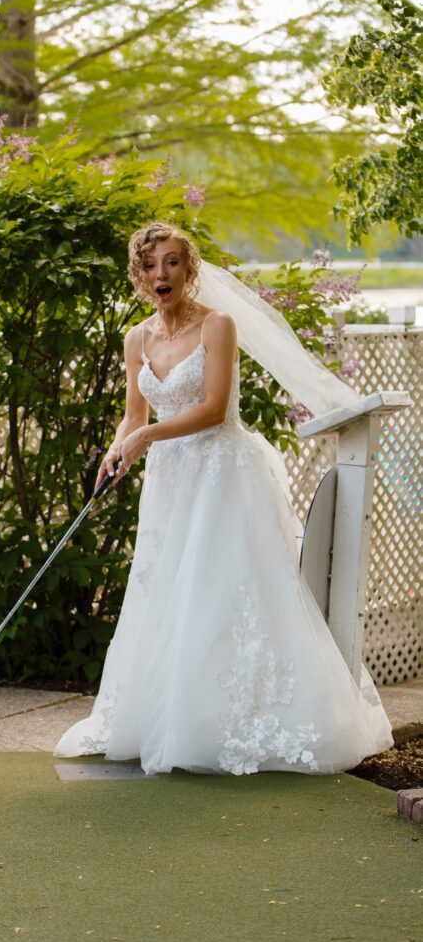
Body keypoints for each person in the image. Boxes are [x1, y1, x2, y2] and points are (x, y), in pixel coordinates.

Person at [55, 222, 392, 776]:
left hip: (221, 473)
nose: (161, 274)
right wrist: (117, 448)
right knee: (169, 592)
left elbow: (213, 409)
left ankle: (243, 722)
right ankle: (168, 719)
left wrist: (144, 439)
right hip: (170, 482)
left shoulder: (218, 325)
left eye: (171, 263)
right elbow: (134, 415)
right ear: (139, 275)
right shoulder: (136, 339)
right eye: (150, 266)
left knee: (226, 591)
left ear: (189, 269)